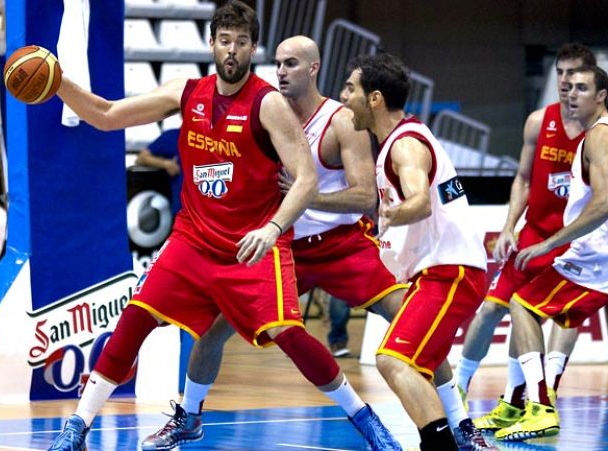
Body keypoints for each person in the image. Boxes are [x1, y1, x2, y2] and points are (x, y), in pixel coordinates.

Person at [46, 4, 399, 451]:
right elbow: (107, 114)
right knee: (134, 318)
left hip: (250, 245)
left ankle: (365, 419)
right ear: (211, 43)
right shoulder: (186, 92)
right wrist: (58, 82)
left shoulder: (268, 104)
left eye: (242, 42)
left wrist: (273, 228)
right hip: (193, 240)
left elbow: (306, 179)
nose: (233, 50)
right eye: (225, 40)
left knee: (289, 334)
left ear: (253, 48)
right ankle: (78, 426)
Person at [143, 36, 494, 451]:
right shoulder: (263, 111)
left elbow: (365, 196)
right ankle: (189, 415)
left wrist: (309, 196)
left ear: (313, 68)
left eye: (291, 63)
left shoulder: (341, 120)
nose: (280, 71)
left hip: (343, 245)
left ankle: (461, 424)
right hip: (287, 247)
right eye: (277, 63)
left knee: (409, 322)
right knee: (214, 329)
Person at [341, 53, 489, 451]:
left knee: (394, 360)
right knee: (417, 364)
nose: (343, 97)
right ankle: (457, 433)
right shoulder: (399, 139)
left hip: (450, 271)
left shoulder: (405, 145)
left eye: (350, 89)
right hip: (440, 272)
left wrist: (394, 212)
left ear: (374, 99)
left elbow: (420, 201)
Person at [452, 43, 596, 432]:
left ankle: (536, 399)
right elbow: (522, 178)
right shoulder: (538, 122)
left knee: (561, 317)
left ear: (590, 80)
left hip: (575, 243)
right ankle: (457, 391)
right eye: (560, 73)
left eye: (573, 74)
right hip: (534, 238)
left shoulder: (602, 132)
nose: (565, 82)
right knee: (490, 310)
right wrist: (508, 226)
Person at [495, 65, 608, 442]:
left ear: (602, 96)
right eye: (569, 87)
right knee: (560, 316)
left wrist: (549, 243)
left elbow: (605, 204)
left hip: (605, 254)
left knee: (523, 305)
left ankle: (539, 408)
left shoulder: (601, 135)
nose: (572, 94)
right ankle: (522, 399)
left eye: (582, 88)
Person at [134, 128, 182, 216]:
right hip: (182, 209)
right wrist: (166, 164)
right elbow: (142, 158)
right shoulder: (173, 136)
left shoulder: (208, 139)